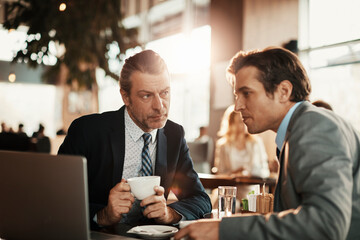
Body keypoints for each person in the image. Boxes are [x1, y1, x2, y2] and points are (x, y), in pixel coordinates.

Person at [174, 47, 360, 240]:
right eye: (237, 96)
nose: (238, 106)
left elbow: (326, 224)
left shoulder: (314, 127)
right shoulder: (299, 129)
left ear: (283, 91)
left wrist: (223, 230)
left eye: (246, 93)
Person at [58, 50, 211, 230]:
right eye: (146, 95)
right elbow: (58, 200)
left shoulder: (174, 135)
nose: (159, 106)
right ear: (125, 97)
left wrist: (170, 213)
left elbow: (200, 199)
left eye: (164, 93)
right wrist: (103, 215)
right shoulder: (88, 131)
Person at [214, 104, 269, 178]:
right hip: (231, 187)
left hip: (252, 187)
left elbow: (265, 171)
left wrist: (250, 173)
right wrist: (234, 173)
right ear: (232, 124)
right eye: (240, 121)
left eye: (245, 120)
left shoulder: (256, 142)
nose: (244, 124)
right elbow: (220, 174)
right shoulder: (223, 145)